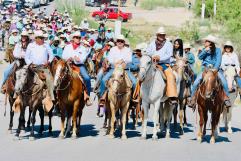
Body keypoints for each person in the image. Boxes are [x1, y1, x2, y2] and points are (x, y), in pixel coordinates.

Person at [188, 35, 231, 108]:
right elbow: (199, 57)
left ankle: (226, 98)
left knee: (224, 82)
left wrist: (216, 68)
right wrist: (205, 51)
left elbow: (218, 60)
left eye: (206, 41)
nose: (205, 42)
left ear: (210, 43)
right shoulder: (204, 49)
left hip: (215, 70)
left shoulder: (218, 50)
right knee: (195, 83)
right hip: (205, 69)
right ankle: (192, 99)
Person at [99, 35, 137, 103]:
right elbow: (110, 59)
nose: (120, 42)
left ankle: (134, 98)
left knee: (134, 82)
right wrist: (115, 62)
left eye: (121, 41)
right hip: (114, 69)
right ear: (116, 42)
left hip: (125, 69)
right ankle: (102, 97)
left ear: (124, 42)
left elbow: (129, 59)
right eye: (118, 41)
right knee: (103, 80)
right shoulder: (113, 49)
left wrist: (122, 60)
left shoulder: (127, 50)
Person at [146, 27, 178, 104]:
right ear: (157, 35)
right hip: (152, 63)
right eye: (160, 35)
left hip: (164, 64)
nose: (161, 36)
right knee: (142, 73)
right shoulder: (152, 43)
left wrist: (159, 58)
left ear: (165, 35)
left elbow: (169, 55)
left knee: (170, 76)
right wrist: (153, 56)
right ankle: (138, 94)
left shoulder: (168, 44)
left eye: (163, 35)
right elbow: (148, 51)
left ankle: (171, 96)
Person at [25, 30, 55, 110]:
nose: (42, 39)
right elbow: (26, 57)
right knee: (21, 76)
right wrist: (30, 63)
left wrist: (48, 61)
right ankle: (18, 94)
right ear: (36, 38)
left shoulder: (46, 45)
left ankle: (51, 96)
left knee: (49, 78)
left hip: (42, 67)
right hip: (32, 67)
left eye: (43, 38)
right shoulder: (30, 45)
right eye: (41, 38)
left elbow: (51, 55)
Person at [62, 31, 92, 106]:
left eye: (79, 37)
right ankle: (56, 95)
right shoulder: (67, 47)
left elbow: (82, 59)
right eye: (76, 37)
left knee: (87, 78)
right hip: (68, 65)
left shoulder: (83, 48)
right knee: (59, 76)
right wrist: (72, 58)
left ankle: (87, 96)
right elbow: (63, 56)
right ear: (73, 38)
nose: (78, 39)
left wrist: (75, 59)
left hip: (79, 65)